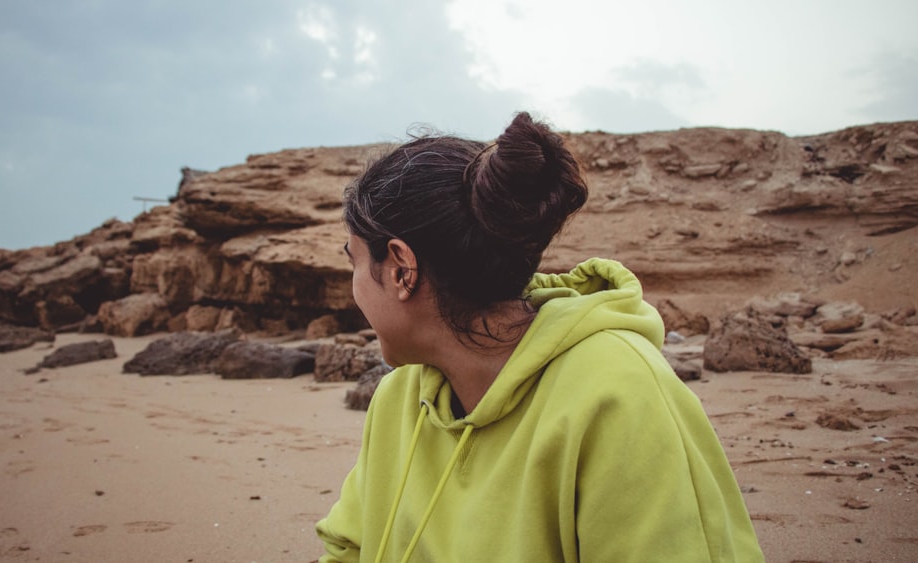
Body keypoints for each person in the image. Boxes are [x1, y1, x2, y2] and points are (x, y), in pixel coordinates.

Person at [316, 112, 764, 562]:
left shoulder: (617, 395)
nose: (353, 285)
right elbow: (348, 550)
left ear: (400, 268)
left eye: (353, 259)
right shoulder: (400, 397)